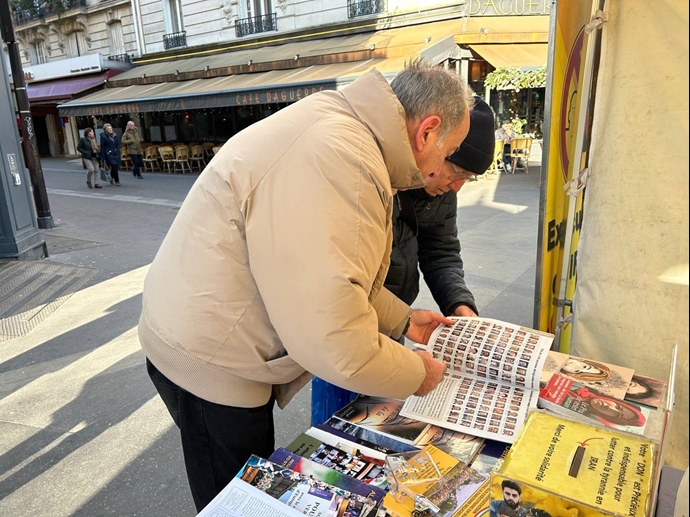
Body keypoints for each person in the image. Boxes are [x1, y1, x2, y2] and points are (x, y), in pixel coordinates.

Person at [139, 60, 473, 511]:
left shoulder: (344, 127)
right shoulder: (346, 159)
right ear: (428, 131)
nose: (445, 173)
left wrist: (406, 320)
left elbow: (334, 274)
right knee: (237, 501)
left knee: (250, 487)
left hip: (212, 334)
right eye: (449, 149)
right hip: (211, 357)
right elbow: (333, 336)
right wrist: (418, 373)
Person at [386, 96, 496, 318]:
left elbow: (440, 251)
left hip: (398, 315)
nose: (456, 188)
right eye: (457, 173)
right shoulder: (375, 180)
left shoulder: (442, 189)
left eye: (468, 178)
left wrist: (460, 303)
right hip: (353, 322)